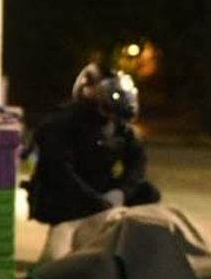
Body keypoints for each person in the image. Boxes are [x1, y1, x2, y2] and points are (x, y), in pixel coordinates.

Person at [24, 62, 162, 225]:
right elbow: (60, 173)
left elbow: (137, 159)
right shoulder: (61, 124)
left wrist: (121, 192)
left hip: (98, 188)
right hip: (67, 195)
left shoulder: (115, 123)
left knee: (148, 193)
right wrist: (97, 202)